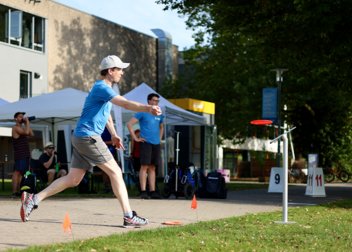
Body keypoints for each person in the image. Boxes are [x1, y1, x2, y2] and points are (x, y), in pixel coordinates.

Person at [20, 55, 162, 229]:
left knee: (73, 179)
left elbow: (107, 115)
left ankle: (33, 199)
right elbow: (124, 104)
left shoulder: (105, 89)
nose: (122, 73)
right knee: (116, 172)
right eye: (120, 69)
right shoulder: (102, 86)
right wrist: (148, 108)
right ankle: (128, 216)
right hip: (88, 137)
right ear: (110, 71)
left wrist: (114, 135)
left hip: (81, 136)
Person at [127, 93, 164, 200]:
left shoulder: (159, 113)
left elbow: (161, 127)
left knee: (153, 167)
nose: (156, 102)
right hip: (146, 143)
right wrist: (136, 138)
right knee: (144, 166)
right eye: (154, 100)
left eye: (157, 101)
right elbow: (129, 124)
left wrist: (159, 139)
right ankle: (143, 191)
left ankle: (152, 191)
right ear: (149, 101)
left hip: (156, 144)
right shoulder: (142, 112)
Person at [12, 112, 34, 197]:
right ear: (16, 118)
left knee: (22, 173)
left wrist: (26, 124)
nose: (22, 118)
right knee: (17, 172)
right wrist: (27, 123)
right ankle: (14, 192)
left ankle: (21, 191)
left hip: (25, 154)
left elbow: (31, 134)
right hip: (20, 154)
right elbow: (26, 132)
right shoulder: (15, 128)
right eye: (20, 116)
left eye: (23, 116)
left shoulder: (23, 128)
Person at [99, 127, 114, 194]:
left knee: (110, 170)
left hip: (109, 152)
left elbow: (113, 141)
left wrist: (102, 143)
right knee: (103, 171)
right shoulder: (97, 128)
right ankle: (106, 188)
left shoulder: (108, 128)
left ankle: (112, 188)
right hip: (100, 151)